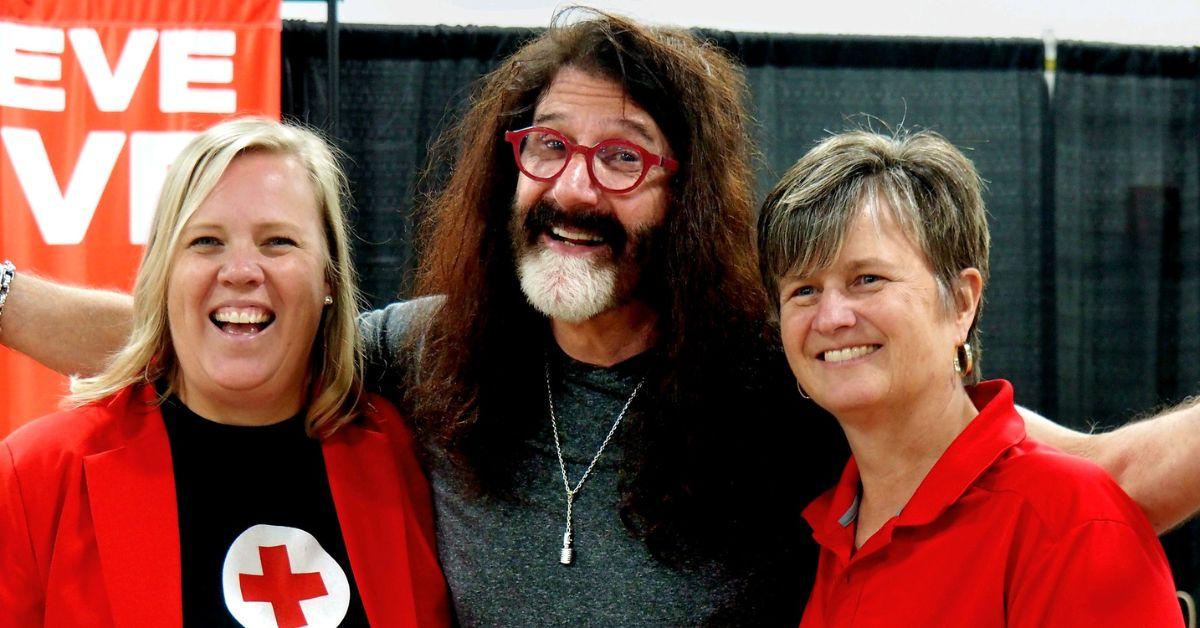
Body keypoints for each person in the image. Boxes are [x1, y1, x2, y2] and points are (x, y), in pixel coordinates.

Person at [3, 9, 1200, 625]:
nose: (576, 188)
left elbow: (1082, 469)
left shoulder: (781, 367)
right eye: (550, 148)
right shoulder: (432, 352)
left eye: (625, 159)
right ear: (505, 170)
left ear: (687, 198)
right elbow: (226, 330)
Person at [0, 119, 449, 627]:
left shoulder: (407, 456)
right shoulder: (37, 475)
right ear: (162, 276)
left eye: (278, 241)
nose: (240, 271)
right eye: (206, 242)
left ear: (329, 277)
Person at [757, 129, 1182, 625]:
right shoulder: (830, 533)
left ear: (961, 302)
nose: (830, 318)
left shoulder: (1068, 519)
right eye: (803, 290)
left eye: (866, 279)